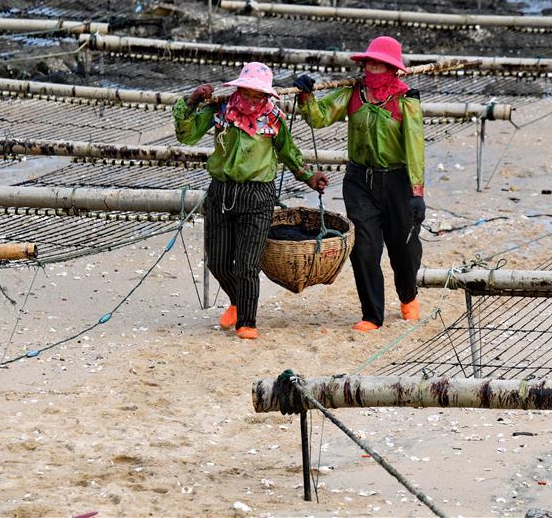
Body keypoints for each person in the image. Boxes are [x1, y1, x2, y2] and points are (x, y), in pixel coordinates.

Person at [174, 62, 329, 340]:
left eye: (260, 94)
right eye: (248, 92)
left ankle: (247, 321)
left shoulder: (273, 119)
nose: (253, 99)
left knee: (246, 265)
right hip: (221, 192)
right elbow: (186, 134)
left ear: (268, 95)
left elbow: (288, 151)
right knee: (219, 263)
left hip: (258, 195)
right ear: (239, 89)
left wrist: (308, 176)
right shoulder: (220, 110)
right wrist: (193, 101)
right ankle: (237, 301)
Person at [294, 36, 425, 332]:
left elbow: (415, 147)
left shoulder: (407, 100)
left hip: (398, 180)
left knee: (403, 249)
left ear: (392, 68)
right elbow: (319, 117)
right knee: (364, 248)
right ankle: (372, 315)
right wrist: (306, 97)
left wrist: (417, 193)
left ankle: (408, 296)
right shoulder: (352, 93)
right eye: (370, 62)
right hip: (359, 181)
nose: (373, 67)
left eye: (381, 63)